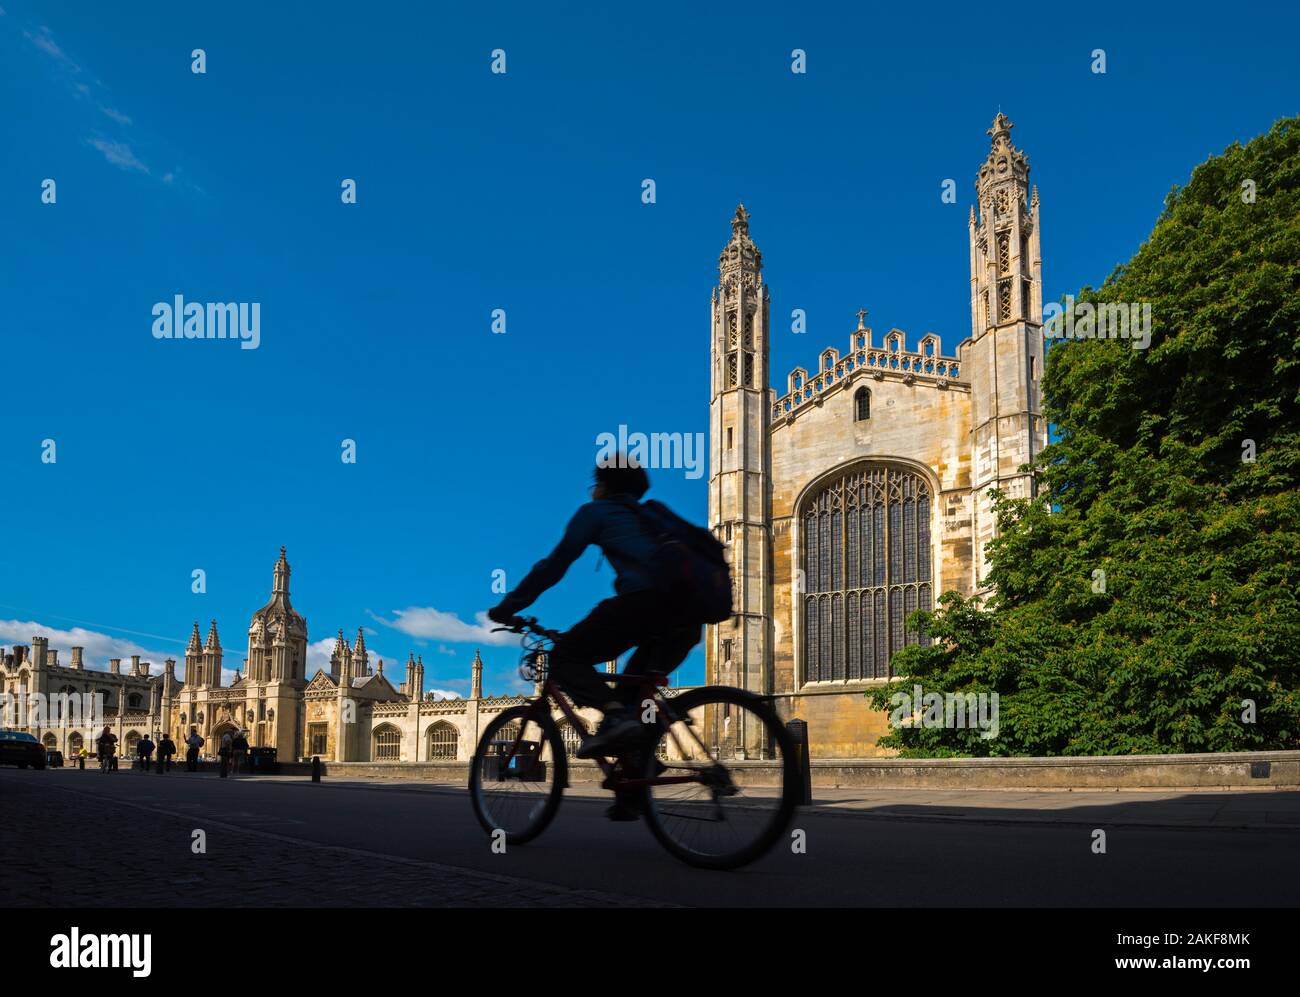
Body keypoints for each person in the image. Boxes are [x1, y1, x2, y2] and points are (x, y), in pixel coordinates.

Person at [487, 457, 703, 820]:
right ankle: (633, 788)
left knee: (565, 657)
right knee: (635, 695)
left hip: (645, 605)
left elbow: (553, 567)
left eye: (595, 484)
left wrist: (509, 606)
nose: (593, 490)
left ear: (603, 486)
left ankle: (618, 721)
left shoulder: (597, 511)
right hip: (690, 619)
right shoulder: (654, 517)